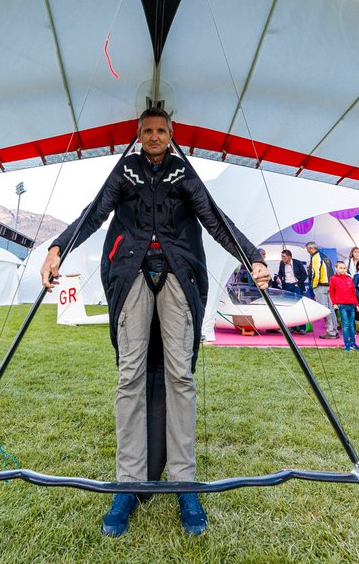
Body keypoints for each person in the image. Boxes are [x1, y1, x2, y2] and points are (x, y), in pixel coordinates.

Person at [40, 107, 270, 537]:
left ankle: (184, 481)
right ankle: (128, 482)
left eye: (161, 130)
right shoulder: (124, 172)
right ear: (138, 134)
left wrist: (252, 255)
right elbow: (94, 214)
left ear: (171, 133)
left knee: (180, 377)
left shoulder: (182, 173)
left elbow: (216, 220)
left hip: (178, 275)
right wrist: (57, 249)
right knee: (130, 377)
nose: (154, 136)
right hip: (130, 276)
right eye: (147, 131)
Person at [305, 241, 339, 339]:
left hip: (321, 285)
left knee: (324, 309)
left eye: (308, 250)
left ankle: (330, 331)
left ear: (311, 249)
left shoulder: (316, 257)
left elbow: (316, 273)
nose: (308, 252)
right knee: (331, 309)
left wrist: (314, 285)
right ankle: (335, 330)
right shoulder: (325, 256)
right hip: (330, 285)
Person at [329, 260, 359, 350]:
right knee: (346, 324)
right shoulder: (333, 279)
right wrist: (334, 303)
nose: (343, 270)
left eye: (344, 268)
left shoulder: (349, 279)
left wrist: (357, 305)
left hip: (351, 305)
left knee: (352, 325)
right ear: (336, 269)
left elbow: (353, 293)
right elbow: (331, 292)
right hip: (342, 305)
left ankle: (353, 343)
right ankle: (347, 343)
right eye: (341, 268)